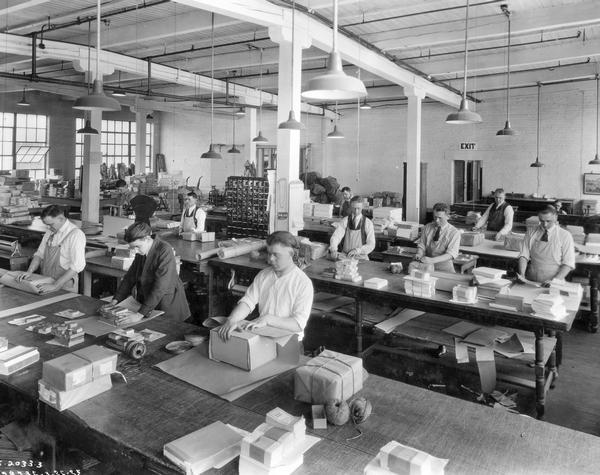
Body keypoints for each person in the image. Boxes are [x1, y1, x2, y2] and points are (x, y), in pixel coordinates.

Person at [217, 231, 314, 341]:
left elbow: (298, 324)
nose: (271, 259)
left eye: (276, 255)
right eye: (269, 253)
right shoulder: (263, 275)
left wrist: (267, 319)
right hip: (262, 336)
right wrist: (232, 319)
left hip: (289, 341)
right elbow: (248, 301)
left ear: (291, 254)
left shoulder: (302, 283)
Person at [107, 222, 190, 324]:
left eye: (137, 246)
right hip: (149, 302)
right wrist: (115, 301)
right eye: (133, 248)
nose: (135, 251)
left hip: (167, 304)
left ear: (146, 238)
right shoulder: (141, 251)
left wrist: (139, 314)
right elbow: (129, 278)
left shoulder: (164, 250)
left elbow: (160, 288)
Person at [17, 205, 86, 293]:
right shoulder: (50, 232)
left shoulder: (75, 234)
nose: (49, 227)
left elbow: (77, 265)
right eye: (47, 225)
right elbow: (39, 254)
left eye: (51, 224)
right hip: (46, 281)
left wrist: (55, 285)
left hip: (64, 285)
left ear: (61, 218)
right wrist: (29, 271)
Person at [517, 205, 575, 286]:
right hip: (531, 279)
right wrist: (522, 275)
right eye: (541, 221)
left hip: (554, 281)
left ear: (555, 217)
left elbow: (568, 263)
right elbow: (523, 255)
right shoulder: (531, 232)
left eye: (548, 221)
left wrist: (555, 280)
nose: (544, 224)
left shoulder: (565, 235)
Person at [413, 202, 460, 273]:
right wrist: (419, 254)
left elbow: (451, 254)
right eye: (435, 217)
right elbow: (422, 245)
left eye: (440, 218)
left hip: (445, 268)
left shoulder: (454, 232)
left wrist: (432, 260)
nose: (437, 220)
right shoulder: (427, 227)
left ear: (448, 216)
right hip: (427, 266)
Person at [329, 195, 376, 260]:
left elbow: (371, 244)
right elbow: (336, 236)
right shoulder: (345, 220)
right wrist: (333, 249)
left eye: (358, 208)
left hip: (361, 257)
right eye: (354, 208)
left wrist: (358, 250)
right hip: (345, 256)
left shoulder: (368, 223)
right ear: (350, 207)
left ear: (362, 207)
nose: (356, 211)